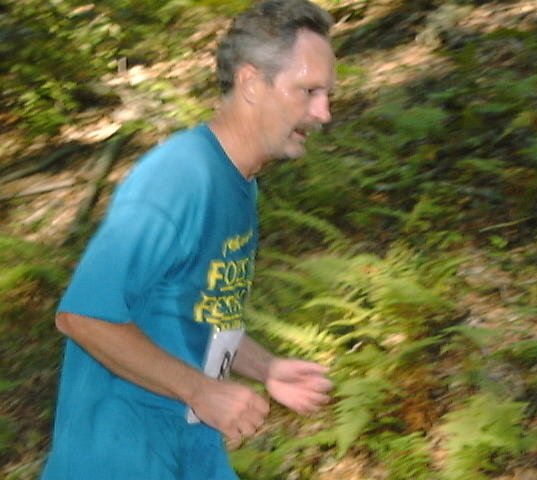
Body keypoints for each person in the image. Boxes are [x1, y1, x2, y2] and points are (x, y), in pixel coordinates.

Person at [40, 0, 336, 478]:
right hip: (119, 457)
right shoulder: (179, 175)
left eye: (327, 94)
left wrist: (266, 368)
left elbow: (199, 314)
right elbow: (84, 316)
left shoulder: (238, 185)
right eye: (308, 91)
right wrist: (200, 390)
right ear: (251, 83)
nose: (323, 112)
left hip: (188, 449)